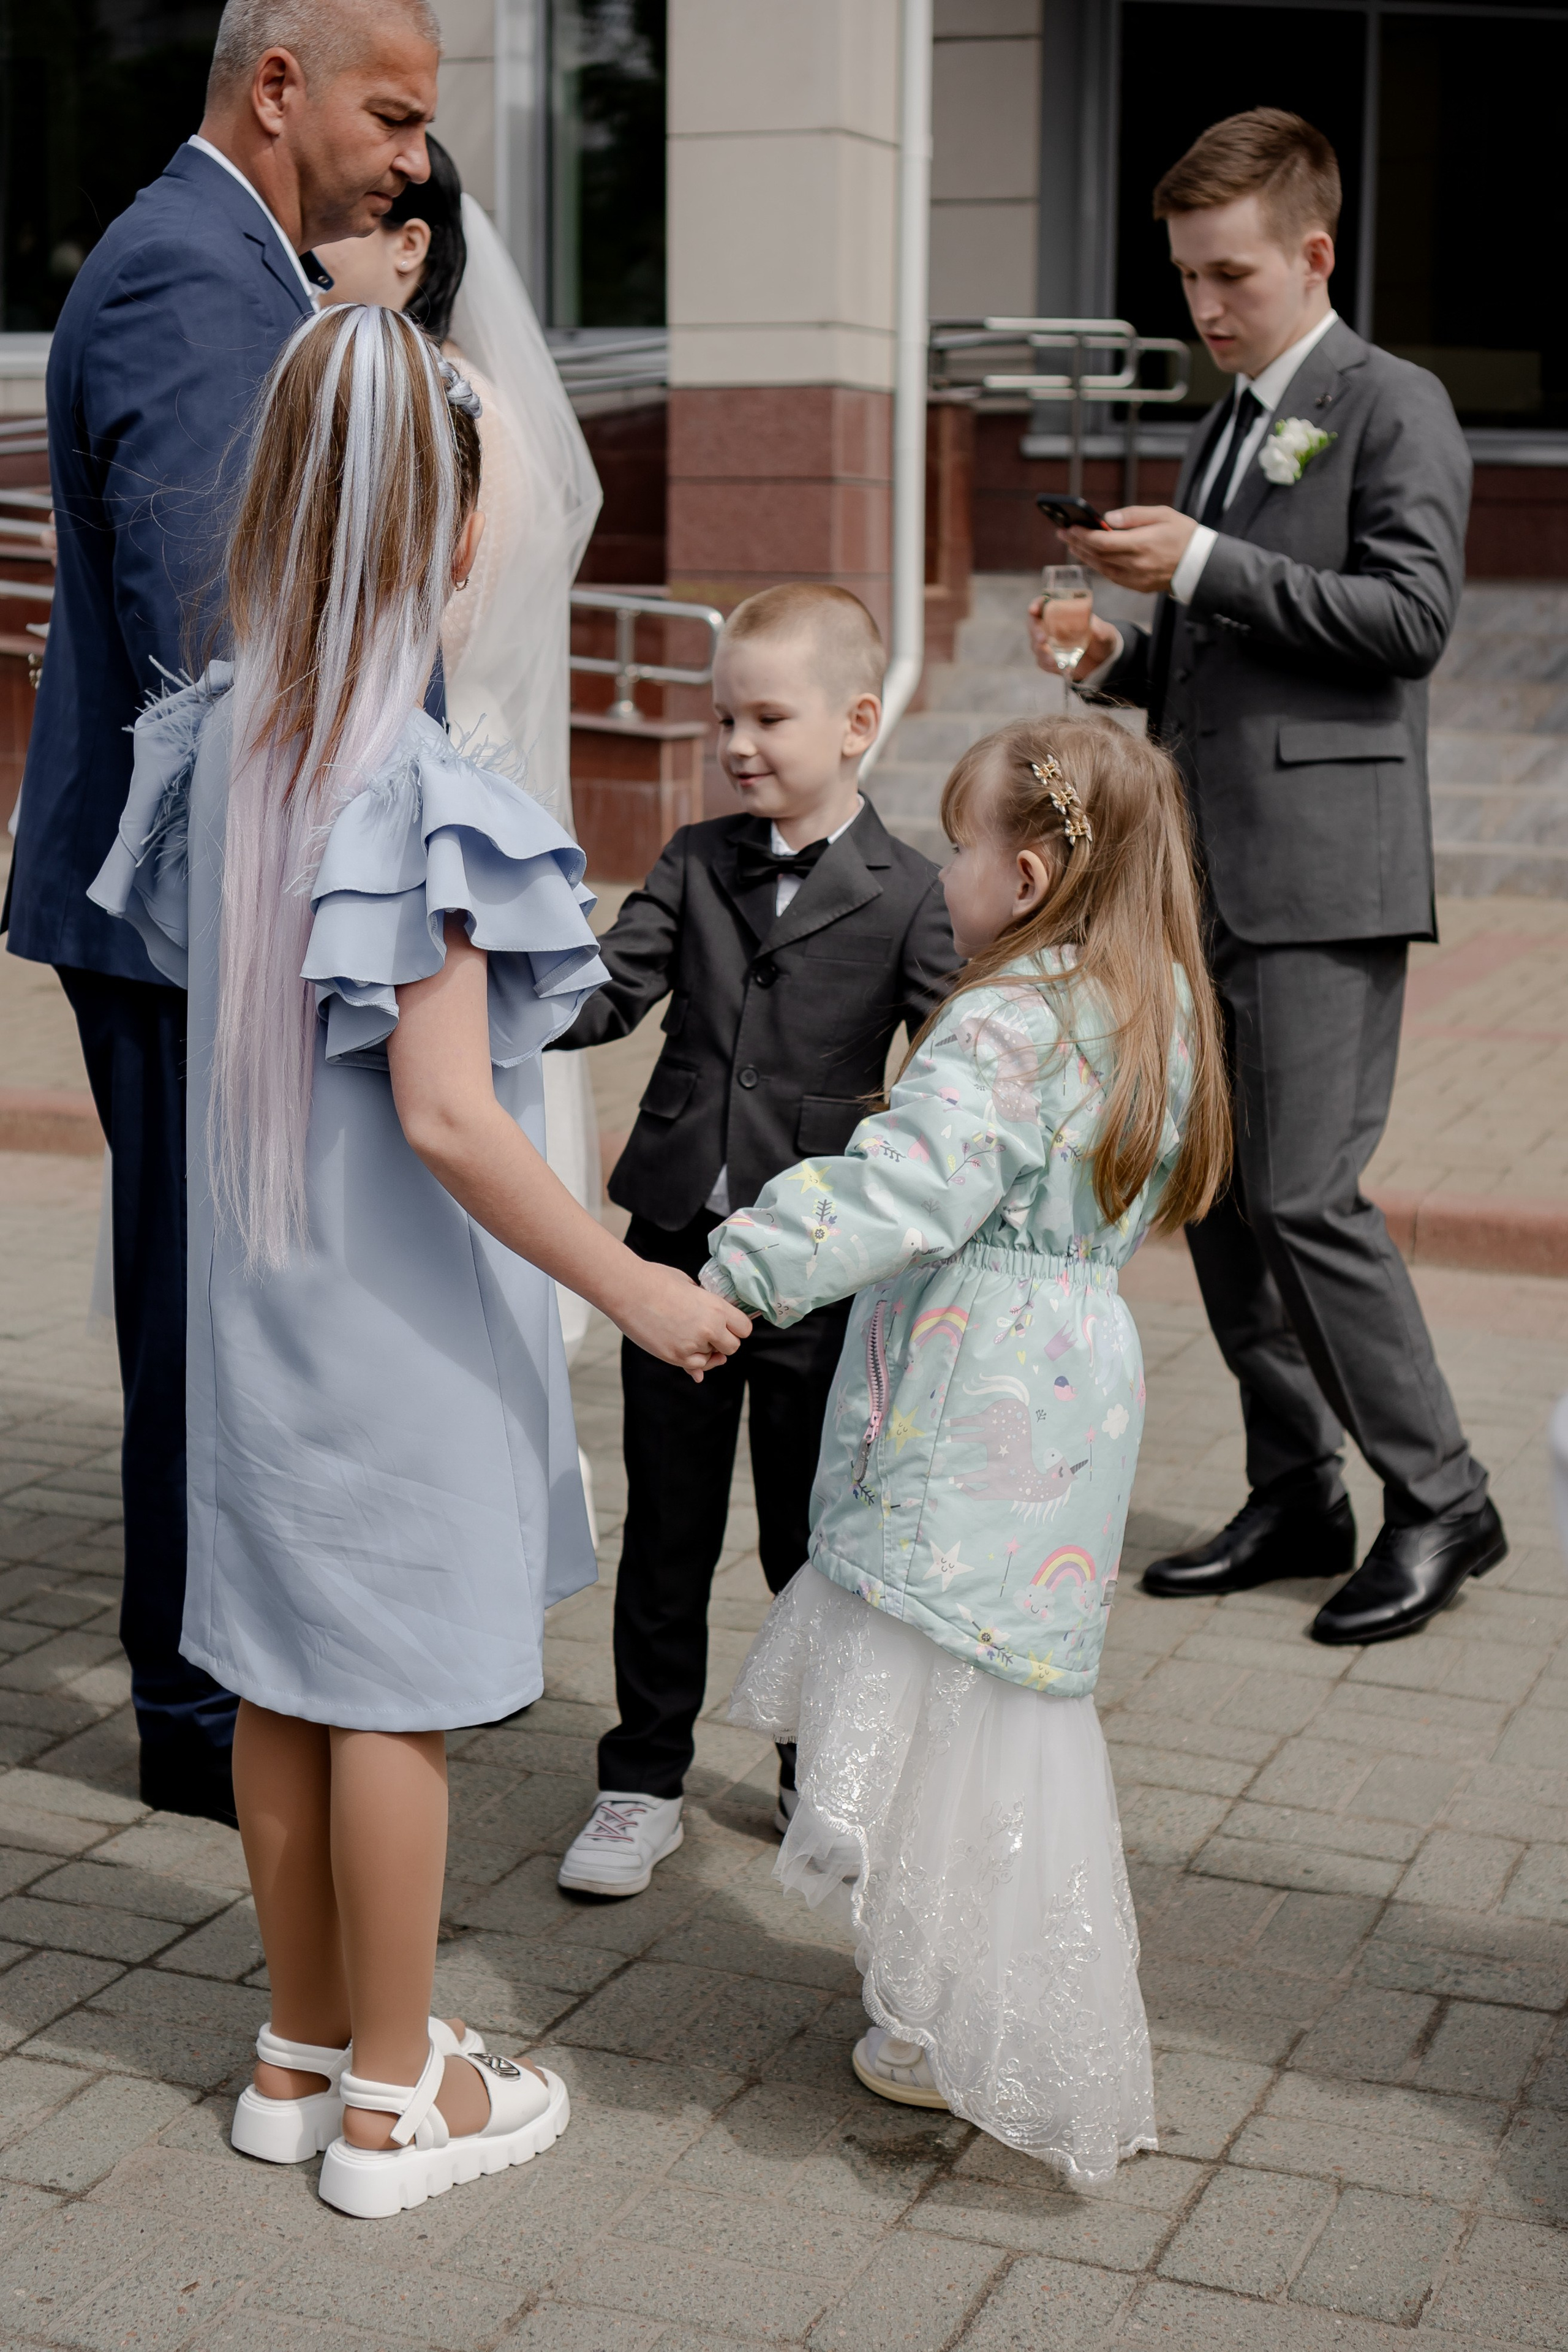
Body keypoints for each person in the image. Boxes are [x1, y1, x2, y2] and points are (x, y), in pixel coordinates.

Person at [89, 304, 750, 2218]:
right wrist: (637, 1288)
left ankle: (298, 2053)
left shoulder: (232, 746)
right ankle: (396, 2102)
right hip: (394, 1326)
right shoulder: (414, 785)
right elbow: (457, 1116)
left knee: (291, 1681)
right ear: (445, 535)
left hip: (262, 1316)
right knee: (393, 1699)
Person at [7, 0, 443, 1826]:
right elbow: (229, 649)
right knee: (208, 1313)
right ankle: (201, 1717)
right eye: (393, 113)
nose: (413, 159)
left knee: (230, 1295)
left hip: (221, 908)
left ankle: (229, 1678)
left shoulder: (251, 266)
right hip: (210, 917)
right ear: (279, 88)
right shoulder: (194, 281)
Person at [704, 715, 1229, 2179]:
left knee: (936, 1685)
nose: (936, 873)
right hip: (1073, 1377)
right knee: (1008, 1687)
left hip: (970, 1385)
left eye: (955, 841)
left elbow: (909, 1186)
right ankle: (963, 1991)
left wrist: (743, 1263)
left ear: (1027, 870)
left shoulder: (1009, 1019)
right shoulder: (1158, 1006)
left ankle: (949, 2016)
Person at [1039, 108, 1504, 1643]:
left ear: (1312, 254)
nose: (1204, 308)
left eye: (1227, 275)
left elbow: (1407, 620)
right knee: (1223, 1197)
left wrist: (1196, 564)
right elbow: (1225, 657)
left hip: (1325, 873)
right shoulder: (1229, 421)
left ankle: (1440, 1499)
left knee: (1306, 1197)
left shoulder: (1394, 404)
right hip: (1205, 863)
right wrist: (1117, 654)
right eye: (1184, 280)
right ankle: (1295, 1486)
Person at [551, 584, 957, 1894]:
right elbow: (612, 991)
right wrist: (498, 971)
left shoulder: (907, 895)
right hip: (671, 1246)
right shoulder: (690, 858)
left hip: (817, 1278)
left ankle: (809, 1777)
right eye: (722, 714)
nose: (736, 741)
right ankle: (638, 1780)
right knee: (665, 1530)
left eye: (766, 716)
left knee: (806, 1542)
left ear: (853, 723)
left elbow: (950, 1067)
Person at [314, 135, 606, 1360]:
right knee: (485, 1083)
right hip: (477, 757)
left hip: (413, 771)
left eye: (325, 230)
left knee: (410, 1110)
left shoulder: (417, 402)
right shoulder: (490, 400)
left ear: (409, 241)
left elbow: (423, 609)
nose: (304, 258)